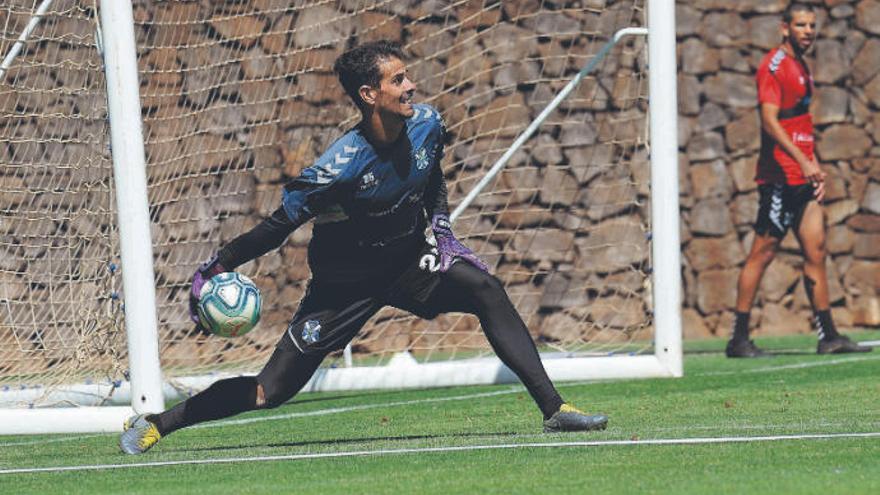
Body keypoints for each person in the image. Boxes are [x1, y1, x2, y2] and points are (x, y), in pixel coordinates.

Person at [119, 40, 607, 454]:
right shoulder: (336, 170)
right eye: (398, 81)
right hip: (341, 289)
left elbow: (431, 174)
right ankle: (160, 424)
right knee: (270, 391)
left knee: (486, 289)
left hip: (407, 261)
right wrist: (216, 266)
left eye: (408, 76)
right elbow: (274, 229)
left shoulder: (427, 124)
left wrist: (442, 228)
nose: (411, 86)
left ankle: (554, 409)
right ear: (370, 95)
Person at [725, 3, 870, 358]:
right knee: (763, 252)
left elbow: (801, 122)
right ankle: (739, 339)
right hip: (779, 177)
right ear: (784, 28)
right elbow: (770, 122)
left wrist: (815, 166)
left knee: (816, 250)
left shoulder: (802, 67)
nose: (808, 31)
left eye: (811, 25)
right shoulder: (773, 66)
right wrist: (803, 161)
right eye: (801, 25)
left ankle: (829, 335)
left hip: (804, 176)